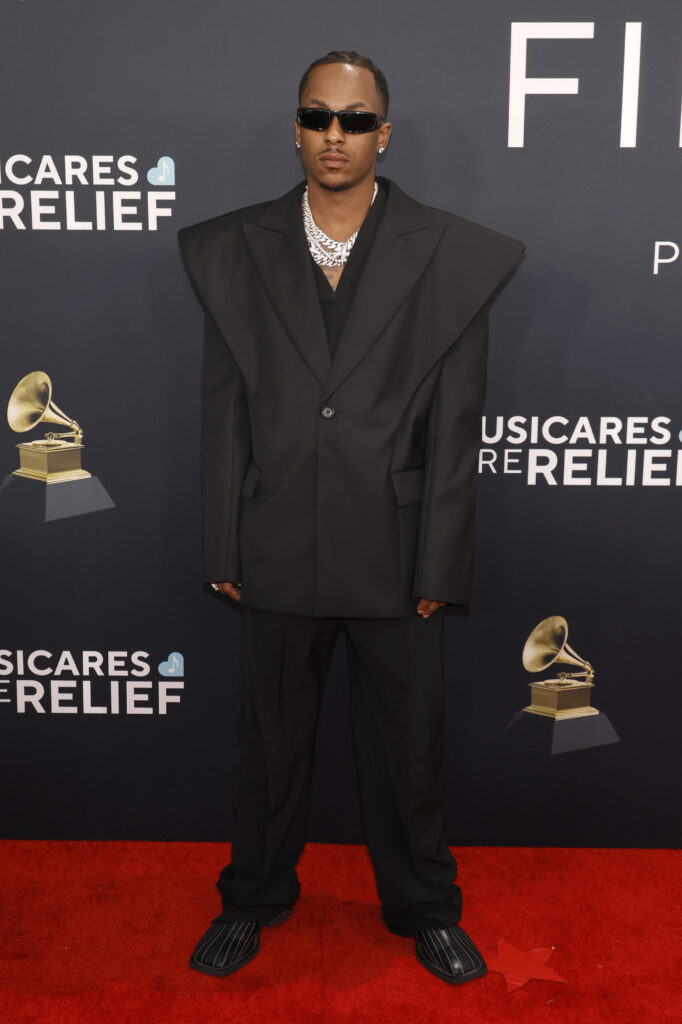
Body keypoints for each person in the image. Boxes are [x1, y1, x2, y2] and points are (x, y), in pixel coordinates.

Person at [177, 49, 524, 985]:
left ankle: (423, 909)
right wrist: (224, 541)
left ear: (384, 132)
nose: (337, 135)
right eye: (319, 117)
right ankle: (252, 899)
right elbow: (225, 413)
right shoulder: (230, 248)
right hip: (275, 540)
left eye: (357, 119)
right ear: (296, 128)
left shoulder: (453, 253)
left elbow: (458, 431)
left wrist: (439, 568)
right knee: (269, 749)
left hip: (397, 549)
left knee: (409, 755)